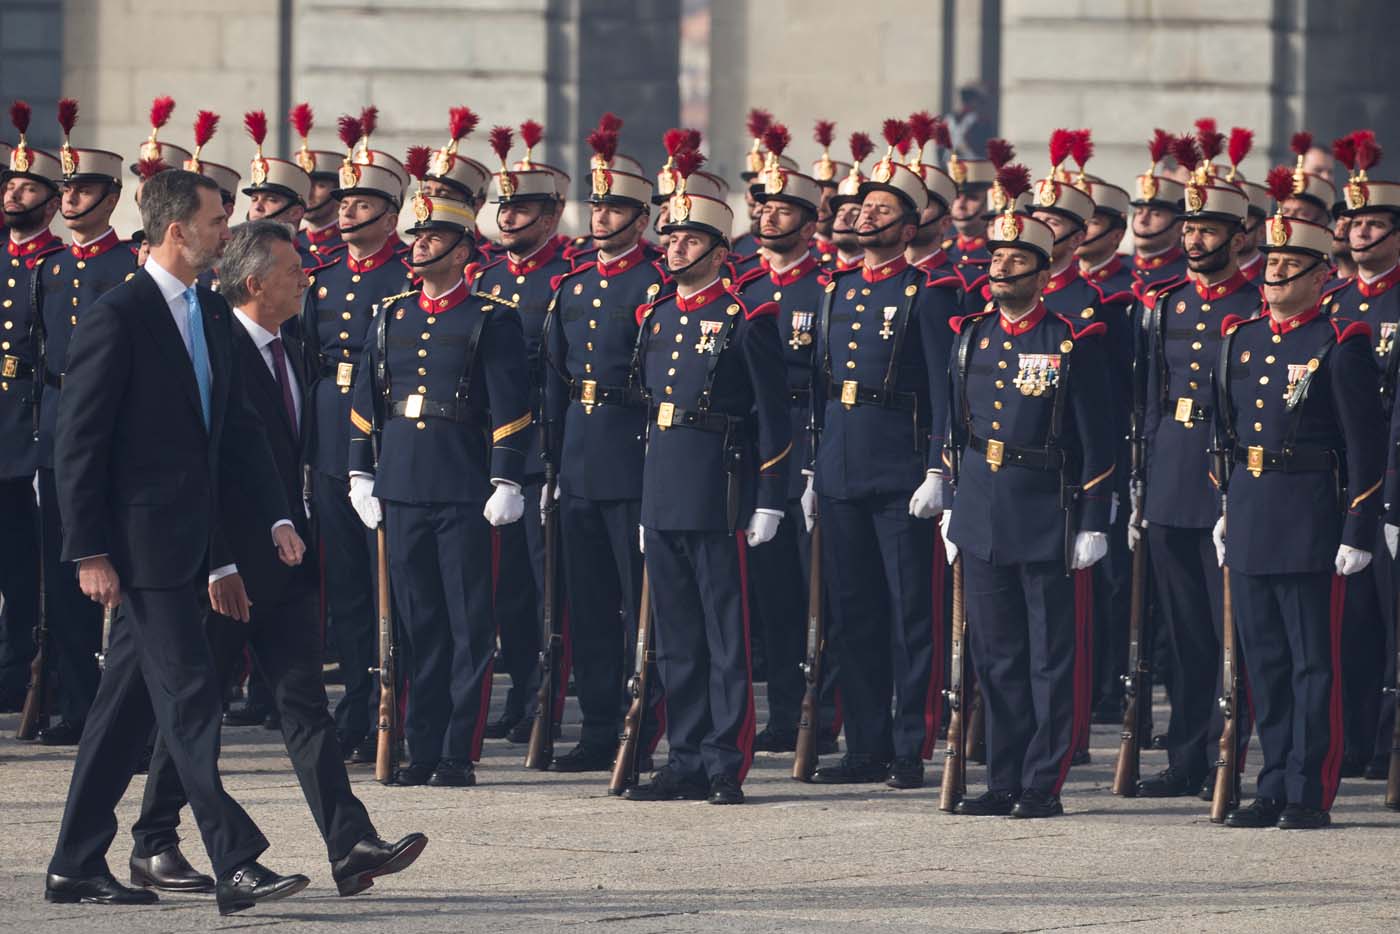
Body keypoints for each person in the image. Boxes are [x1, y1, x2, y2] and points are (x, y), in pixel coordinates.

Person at [128, 220, 427, 897]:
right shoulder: (213, 350)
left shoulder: (292, 349)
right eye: (294, 269)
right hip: (223, 569)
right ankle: (153, 841)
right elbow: (199, 469)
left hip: (284, 564)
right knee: (196, 710)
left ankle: (349, 843)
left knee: (305, 705)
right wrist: (217, 560)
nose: (308, 280)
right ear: (256, 280)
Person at [44, 169, 309, 915]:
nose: (228, 232)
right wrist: (88, 550)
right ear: (176, 231)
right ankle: (238, 860)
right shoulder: (118, 315)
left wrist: (276, 514)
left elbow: (237, 433)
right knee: (192, 698)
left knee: (121, 711)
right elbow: (80, 443)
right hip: (139, 546)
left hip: (194, 540)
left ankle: (73, 863)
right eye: (218, 221)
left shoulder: (210, 314)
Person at [943, 166, 1115, 819]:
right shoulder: (972, 336)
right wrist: (951, 495)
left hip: (1047, 509)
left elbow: (1097, 436)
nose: (1001, 268)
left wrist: (1095, 515)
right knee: (998, 657)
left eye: (1017, 259)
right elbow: (955, 426)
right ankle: (1005, 776)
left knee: (1050, 657)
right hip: (983, 509)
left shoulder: (1070, 339)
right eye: (996, 257)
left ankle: (1045, 779)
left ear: (1045, 273)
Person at [347, 183, 531, 788]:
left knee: (466, 623)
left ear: (461, 251)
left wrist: (504, 477)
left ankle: (457, 750)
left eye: (432, 237)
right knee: (415, 622)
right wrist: (360, 471)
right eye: (417, 236)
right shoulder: (391, 314)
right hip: (401, 484)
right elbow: (366, 400)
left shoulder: (491, 319)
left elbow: (511, 405)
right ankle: (416, 745)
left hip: (462, 485)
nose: (419, 245)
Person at [623, 156, 791, 806]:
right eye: (670, 236)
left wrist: (770, 498)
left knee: (725, 638)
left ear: (721, 249)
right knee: (678, 638)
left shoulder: (749, 318)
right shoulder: (658, 316)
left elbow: (775, 422)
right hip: (665, 488)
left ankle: (725, 759)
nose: (675, 247)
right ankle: (684, 756)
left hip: (720, 492)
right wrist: (646, 501)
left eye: (690, 239)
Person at [1214, 196, 1383, 829]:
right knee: (1265, 662)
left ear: (1322, 276)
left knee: (1314, 662)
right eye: (1272, 262)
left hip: (1313, 518)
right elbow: (1224, 433)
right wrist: (1226, 505)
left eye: (1292, 266)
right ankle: (1273, 781)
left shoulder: (1341, 344)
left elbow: (1366, 447)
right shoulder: (1243, 340)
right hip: (1255, 511)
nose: (1275, 275)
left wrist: (1358, 525)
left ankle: (1310, 790)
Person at [807, 127, 961, 790]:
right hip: (842, 464)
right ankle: (863, 741)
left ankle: (910, 742)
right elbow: (821, 386)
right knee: (853, 613)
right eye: (863, 206)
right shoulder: (837, 290)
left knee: (911, 618)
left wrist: (937, 468)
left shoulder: (926, 294)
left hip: (900, 470)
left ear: (910, 225)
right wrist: (815, 466)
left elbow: (945, 390)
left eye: (882, 209)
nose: (866, 214)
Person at [539, 128, 668, 772]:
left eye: (615, 209)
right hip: (581, 459)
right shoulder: (576, 285)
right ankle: (595, 726)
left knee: (638, 607)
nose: (601, 217)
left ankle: (641, 726)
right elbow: (557, 382)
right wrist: (551, 464)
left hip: (636, 455)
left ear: (641, 219)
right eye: (596, 207)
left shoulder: (658, 283)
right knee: (586, 606)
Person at [1134, 160, 1260, 799]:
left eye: (1210, 230)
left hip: (1228, 479)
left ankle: (1226, 754)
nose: (1194, 240)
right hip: (1170, 477)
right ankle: (1185, 756)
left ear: (1239, 237)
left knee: (1228, 630)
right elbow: (1152, 399)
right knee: (1182, 633)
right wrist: (1142, 483)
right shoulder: (1166, 304)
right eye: (1190, 228)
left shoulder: (1256, 303)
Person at [300, 119, 411, 761]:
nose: (347, 213)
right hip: (332, 437)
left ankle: (397, 697)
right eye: (343, 202)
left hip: (389, 438)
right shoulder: (322, 274)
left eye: (362, 203)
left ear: (392, 212)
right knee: (344, 582)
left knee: (391, 581)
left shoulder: (404, 272)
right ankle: (357, 698)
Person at [32, 102, 139, 741]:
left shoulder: (125, 265)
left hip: (115, 428)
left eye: (85, 188)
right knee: (65, 566)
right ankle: (75, 705)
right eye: (67, 188)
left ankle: (120, 710)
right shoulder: (49, 267)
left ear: (112, 196)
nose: (72, 198)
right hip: (57, 423)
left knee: (120, 568)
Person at [735, 133, 835, 752]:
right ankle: (779, 711)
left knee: (816, 588)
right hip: (751, 447)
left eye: (782, 209)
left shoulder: (824, 288)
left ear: (809, 221)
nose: (768, 216)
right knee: (768, 587)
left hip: (808, 441)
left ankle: (820, 713)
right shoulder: (741, 284)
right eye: (762, 207)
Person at [474, 120, 573, 743]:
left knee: (547, 586)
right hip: (492, 446)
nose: (509, 219)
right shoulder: (484, 275)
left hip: (544, 442)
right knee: (506, 585)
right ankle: (517, 693)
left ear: (553, 213)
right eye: (504, 206)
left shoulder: (567, 276)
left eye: (524, 207)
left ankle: (548, 697)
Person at [1322, 135, 1400, 779]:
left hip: (1392, 486)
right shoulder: (1338, 304)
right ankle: (1353, 742)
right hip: (1343, 488)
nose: (1359, 232)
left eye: (1374, 222)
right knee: (1351, 625)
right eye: (1353, 222)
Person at [0, 105, 63, 714]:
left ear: (49, 203)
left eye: (26, 188)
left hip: (29, 428)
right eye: (10, 184)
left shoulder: (58, 265)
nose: (12, 194)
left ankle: (19, 671)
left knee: (26, 569)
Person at [287, 103, 347, 265]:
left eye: (319, 186)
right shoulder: (290, 243)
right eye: (305, 185)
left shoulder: (350, 244)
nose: (309, 193)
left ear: (337, 193)